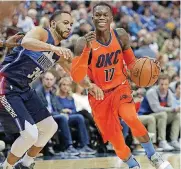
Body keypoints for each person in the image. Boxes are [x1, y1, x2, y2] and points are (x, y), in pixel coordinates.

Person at [70, 2, 173, 169]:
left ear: (111, 18)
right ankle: (133, 165)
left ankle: (153, 155)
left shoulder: (121, 36)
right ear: (92, 18)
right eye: (98, 15)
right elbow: (77, 76)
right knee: (117, 141)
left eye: (105, 15)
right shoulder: (83, 43)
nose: (101, 17)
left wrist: (148, 68)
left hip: (120, 88)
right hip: (99, 96)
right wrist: (87, 51)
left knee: (131, 118)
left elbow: (132, 64)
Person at [0, 10, 83, 169]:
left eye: (71, 24)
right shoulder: (41, 32)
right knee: (30, 134)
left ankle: (26, 163)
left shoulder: (59, 53)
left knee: (50, 127)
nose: (69, 27)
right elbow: (26, 42)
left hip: (24, 88)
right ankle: (7, 166)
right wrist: (53, 47)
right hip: (6, 84)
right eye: (66, 23)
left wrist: (94, 83)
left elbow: (77, 74)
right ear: (52, 23)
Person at [57, 77, 96, 155]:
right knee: (80, 116)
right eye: (64, 85)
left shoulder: (70, 98)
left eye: (67, 85)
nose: (65, 87)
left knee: (82, 118)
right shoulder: (56, 97)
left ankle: (84, 145)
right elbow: (57, 108)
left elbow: (74, 110)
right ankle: (73, 146)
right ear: (60, 86)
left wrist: (70, 111)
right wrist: (63, 110)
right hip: (62, 117)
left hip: (71, 116)